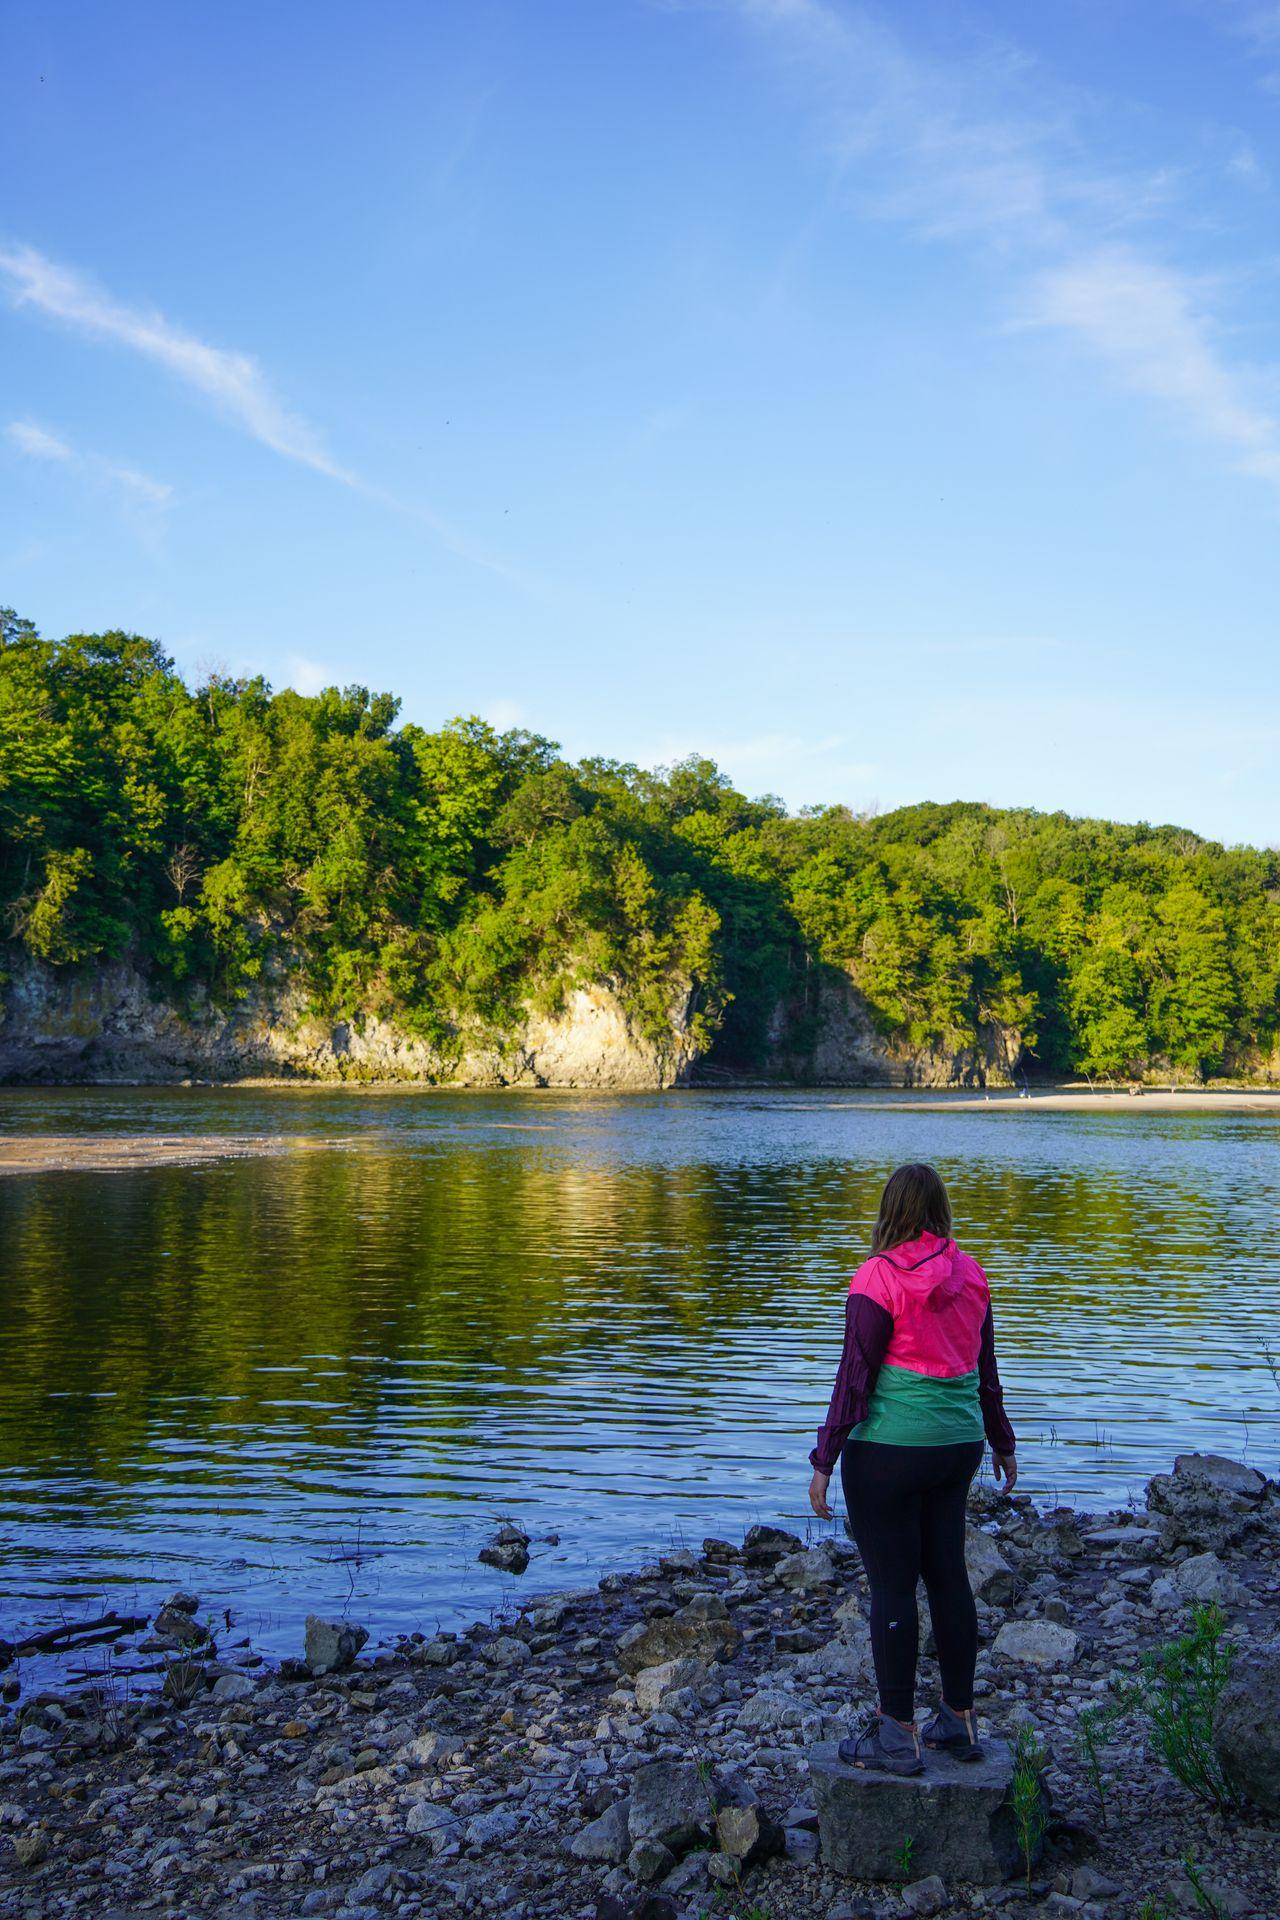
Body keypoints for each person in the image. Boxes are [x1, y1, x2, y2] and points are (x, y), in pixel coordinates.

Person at [807, 1162, 1017, 1775]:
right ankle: (957, 1719)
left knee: (894, 1583)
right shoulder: (972, 1273)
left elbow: (855, 1377)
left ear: (889, 1211)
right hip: (959, 1445)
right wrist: (1002, 1441)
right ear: (941, 1210)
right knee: (948, 1574)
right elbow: (987, 1370)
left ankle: (897, 1733)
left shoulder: (876, 1278)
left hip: (890, 1452)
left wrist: (825, 1458)